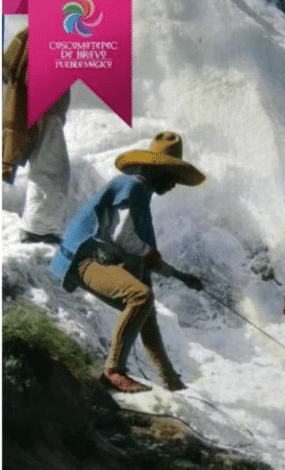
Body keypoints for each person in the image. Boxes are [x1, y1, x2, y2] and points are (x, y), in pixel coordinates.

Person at [50, 131, 205, 393]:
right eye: (172, 176)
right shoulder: (134, 187)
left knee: (147, 309)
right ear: (156, 169)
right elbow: (125, 239)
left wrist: (179, 276)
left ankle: (169, 378)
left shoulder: (136, 188)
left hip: (90, 257)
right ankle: (113, 371)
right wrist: (152, 257)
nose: (174, 184)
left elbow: (137, 246)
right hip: (82, 258)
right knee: (140, 297)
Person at [3, 27, 71, 244]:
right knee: (53, 171)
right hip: (45, 114)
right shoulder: (45, 35)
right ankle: (38, 229)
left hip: (43, 114)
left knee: (48, 169)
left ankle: (40, 227)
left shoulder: (30, 34)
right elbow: (36, 77)